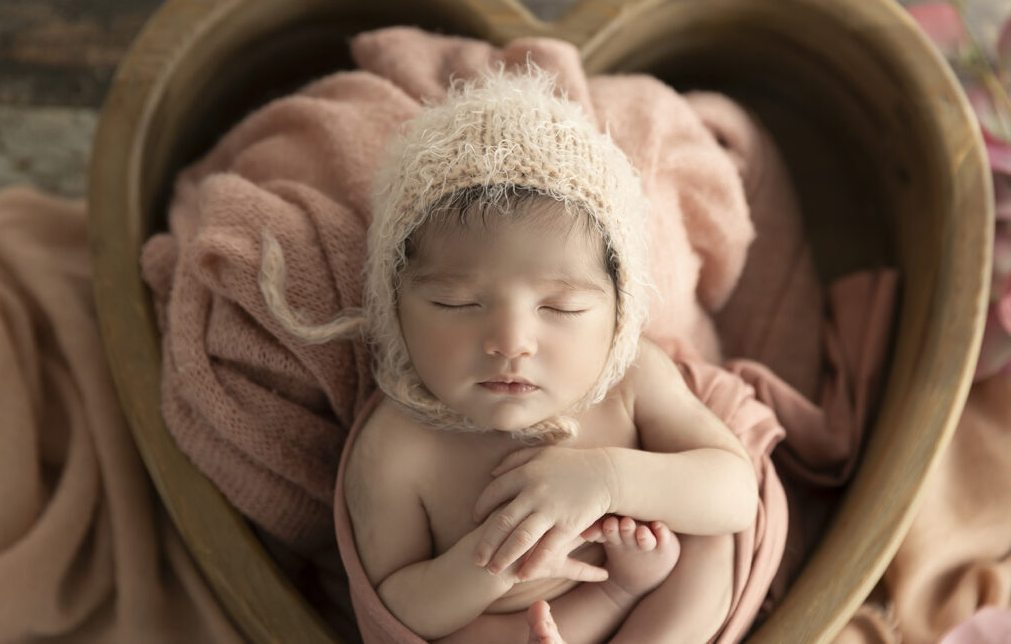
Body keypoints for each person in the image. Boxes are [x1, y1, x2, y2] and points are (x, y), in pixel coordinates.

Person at [259, 66, 759, 643]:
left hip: (639, 594)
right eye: (455, 303)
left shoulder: (632, 379)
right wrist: (492, 564)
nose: (511, 342)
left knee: (707, 550)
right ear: (393, 310)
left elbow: (734, 493)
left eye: (562, 308)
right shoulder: (398, 450)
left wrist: (609, 478)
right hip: (513, 627)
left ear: (619, 315)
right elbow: (395, 604)